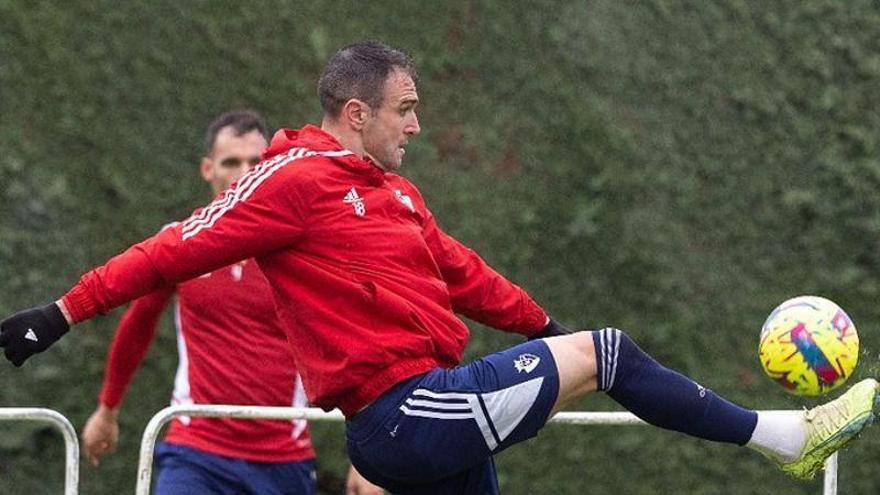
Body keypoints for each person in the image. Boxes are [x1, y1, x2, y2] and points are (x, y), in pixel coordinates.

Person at [1, 41, 876, 494]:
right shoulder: (290, 181)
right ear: (356, 111)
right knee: (610, 350)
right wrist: (59, 311)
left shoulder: (397, 197)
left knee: (587, 346)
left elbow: (469, 277)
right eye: (405, 109)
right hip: (399, 415)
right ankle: (786, 440)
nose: (417, 125)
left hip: (437, 406)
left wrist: (545, 329)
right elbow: (169, 248)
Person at [77, 110, 382, 495]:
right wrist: (108, 408)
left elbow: (354, 344)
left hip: (283, 459)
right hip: (195, 451)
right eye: (230, 162)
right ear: (208, 169)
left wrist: (369, 456)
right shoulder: (179, 243)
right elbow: (139, 323)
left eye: (255, 161)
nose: (243, 171)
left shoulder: (305, 252)